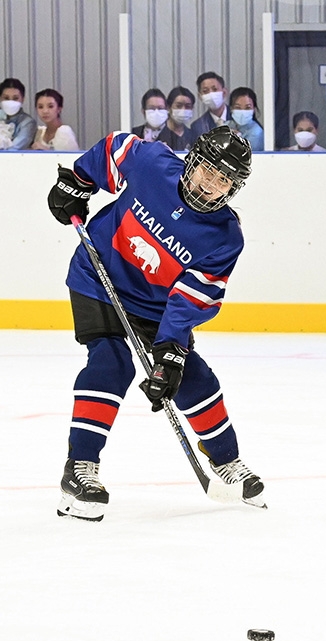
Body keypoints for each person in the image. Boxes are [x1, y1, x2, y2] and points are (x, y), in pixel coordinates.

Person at [43, 125, 264, 521]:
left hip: (155, 305)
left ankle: (227, 461)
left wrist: (171, 351)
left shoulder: (225, 237)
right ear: (193, 161)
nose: (211, 184)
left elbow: (192, 298)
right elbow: (113, 149)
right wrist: (76, 180)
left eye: (223, 180)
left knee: (194, 378)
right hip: (98, 277)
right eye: (208, 171)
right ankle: (78, 470)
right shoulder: (152, 164)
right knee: (112, 364)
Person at [0, 77, 37, 150]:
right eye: (6, 98)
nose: (11, 102)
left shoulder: (28, 123)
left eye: (15, 98)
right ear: (0, 98)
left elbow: (15, 149)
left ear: (22, 99)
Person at [159, 86, 198, 152]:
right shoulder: (159, 133)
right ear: (168, 107)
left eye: (188, 106)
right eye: (179, 106)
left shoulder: (193, 136)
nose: (183, 110)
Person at [191, 71, 229, 136]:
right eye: (205, 91)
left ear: (224, 92)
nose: (211, 94)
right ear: (200, 96)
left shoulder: (238, 118)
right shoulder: (198, 127)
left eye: (215, 89)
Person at [228, 87, 264, 151]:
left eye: (247, 108)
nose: (242, 112)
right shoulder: (226, 125)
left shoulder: (256, 133)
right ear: (231, 109)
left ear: (254, 109)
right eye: (238, 107)